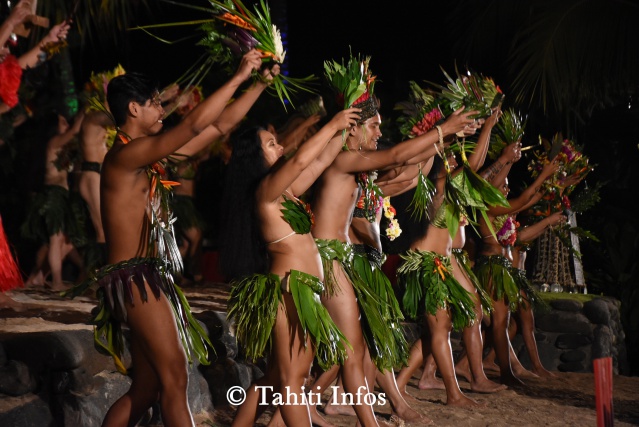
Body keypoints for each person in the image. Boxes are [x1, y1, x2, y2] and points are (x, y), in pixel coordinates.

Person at [64, 50, 263, 427]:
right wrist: (239, 76)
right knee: (176, 377)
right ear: (133, 108)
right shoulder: (125, 155)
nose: (161, 110)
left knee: (147, 388)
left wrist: (260, 84)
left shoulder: (145, 157)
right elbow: (191, 126)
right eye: (155, 103)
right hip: (134, 280)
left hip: (145, 277)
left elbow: (218, 127)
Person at [312, 54, 476, 426]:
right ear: (353, 128)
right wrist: (443, 130)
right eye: (373, 126)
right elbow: (399, 155)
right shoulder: (344, 158)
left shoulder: (357, 169)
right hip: (328, 257)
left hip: (340, 258)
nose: (378, 133)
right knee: (348, 347)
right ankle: (319, 407)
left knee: (356, 345)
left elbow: (406, 173)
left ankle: (343, 409)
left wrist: (444, 139)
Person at [220, 103, 360, 426]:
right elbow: (299, 160)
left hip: (303, 291)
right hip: (289, 292)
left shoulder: (285, 191)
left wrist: (344, 132)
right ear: (255, 157)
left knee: (275, 379)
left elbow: (320, 161)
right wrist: (333, 123)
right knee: (292, 382)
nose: (281, 146)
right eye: (271, 144)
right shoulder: (265, 192)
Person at [399, 112, 509, 396]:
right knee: (440, 328)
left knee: (465, 314)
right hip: (429, 262)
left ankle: (431, 380)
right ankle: (453, 390)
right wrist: (487, 128)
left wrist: (486, 132)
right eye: (448, 156)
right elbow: (475, 168)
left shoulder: (447, 184)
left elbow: (476, 171)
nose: (453, 160)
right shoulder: (436, 183)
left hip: (446, 259)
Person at [473, 155, 559, 386]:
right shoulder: (491, 207)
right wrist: (542, 175)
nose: (507, 188)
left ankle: (504, 370)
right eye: (503, 185)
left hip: (499, 268)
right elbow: (521, 201)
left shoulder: (499, 210)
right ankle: (506, 372)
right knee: (499, 323)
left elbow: (526, 201)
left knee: (501, 323)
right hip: (493, 268)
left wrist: (551, 184)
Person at [21, 111, 85, 290]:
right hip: (53, 195)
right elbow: (75, 131)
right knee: (56, 240)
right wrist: (86, 109)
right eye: (62, 122)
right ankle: (57, 281)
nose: (66, 124)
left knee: (65, 241)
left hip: (61, 195)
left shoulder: (63, 147)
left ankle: (38, 277)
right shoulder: (54, 142)